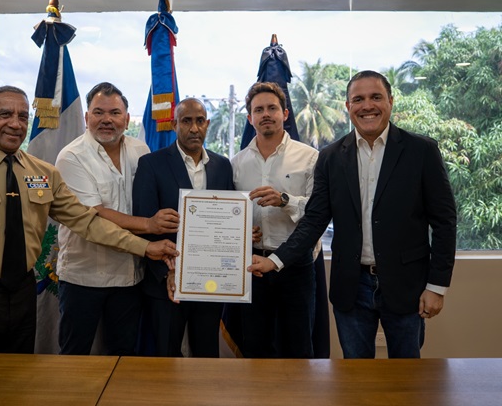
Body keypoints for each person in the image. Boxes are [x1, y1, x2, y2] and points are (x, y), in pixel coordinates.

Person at [0, 85, 177, 354]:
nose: (15, 124)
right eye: (5, 114)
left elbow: (88, 222)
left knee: (20, 378)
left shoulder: (43, 174)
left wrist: (145, 247)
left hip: (22, 295)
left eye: (23, 116)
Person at [248, 70, 457, 358]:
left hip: (406, 285)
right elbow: (314, 220)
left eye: (376, 97)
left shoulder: (422, 151)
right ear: (348, 106)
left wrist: (437, 286)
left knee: (408, 375)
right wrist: (274, 261)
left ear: (390, 101)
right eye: (358, 99)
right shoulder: (331, 157)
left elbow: (445, 222)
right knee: (354, 375)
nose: (367, 106)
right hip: (351, 287)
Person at [55, 82, 179, 356]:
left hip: (130, 276)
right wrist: (149, 225)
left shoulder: (140, 150)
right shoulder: (71, 156)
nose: (107, 120)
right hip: (84, 277)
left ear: (127, 118)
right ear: (86, 117)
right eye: (98, 112)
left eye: (114, 113)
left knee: (122, 355)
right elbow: (96, 214)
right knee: (75, 355)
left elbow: (152, 200)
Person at [132, 97, 234, 357]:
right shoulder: (151, 164)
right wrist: (165, 271)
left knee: (206, 356)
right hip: (166, 283)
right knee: (166, 358)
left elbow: (227, 222)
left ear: (207, 124)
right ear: (174, 124)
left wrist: (242, 234)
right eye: (186, 121)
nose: (194, 128)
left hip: (210, 282)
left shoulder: (223, 166)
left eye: (200, 121)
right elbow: (142, 225)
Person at [231, 81, 318, 358]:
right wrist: (242, 232)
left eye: (272, 108)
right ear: (250, 118)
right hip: (253, 266)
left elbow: (319, 212)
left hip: (295, 266)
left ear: (285, 113)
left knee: (298, 347)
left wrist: (285, 200)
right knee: (255, 347)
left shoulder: (310, 157)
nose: (265, 114)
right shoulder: (237, 163)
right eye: (259, 110)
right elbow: (231, 213)